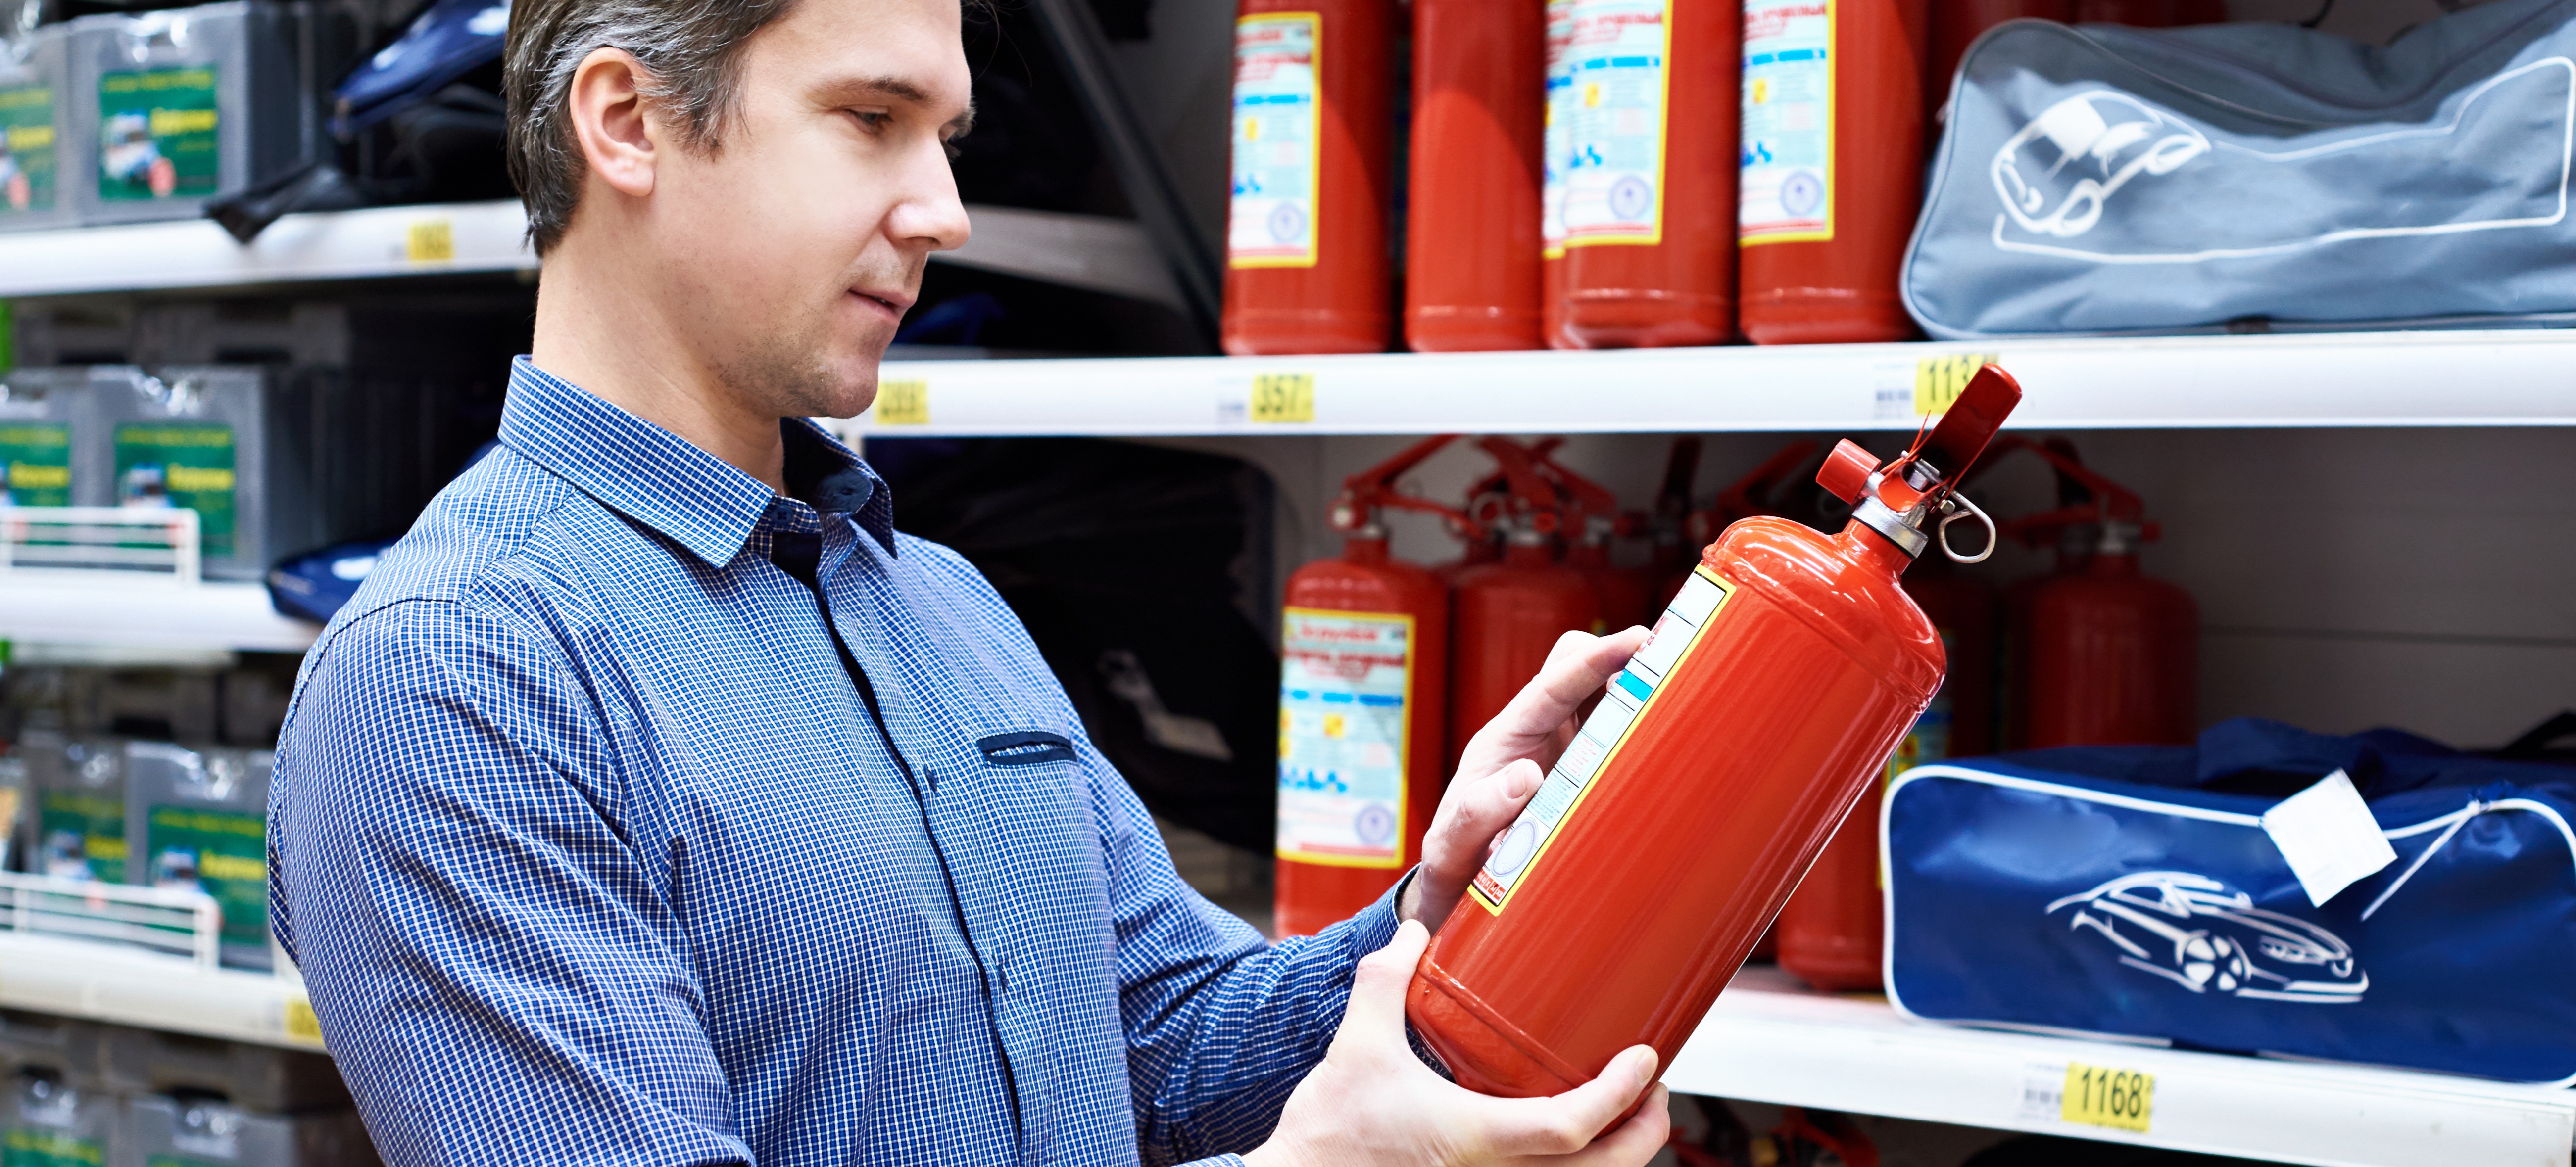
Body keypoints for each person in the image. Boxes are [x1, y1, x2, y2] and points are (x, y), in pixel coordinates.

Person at [265, 0, 1671, 1162]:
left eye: (945, 138)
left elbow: (1164, 1036)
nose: (944, 208)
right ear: (628, 121)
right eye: (872, 121)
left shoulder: (936, 601)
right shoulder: (453, 679)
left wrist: (1444, 909)